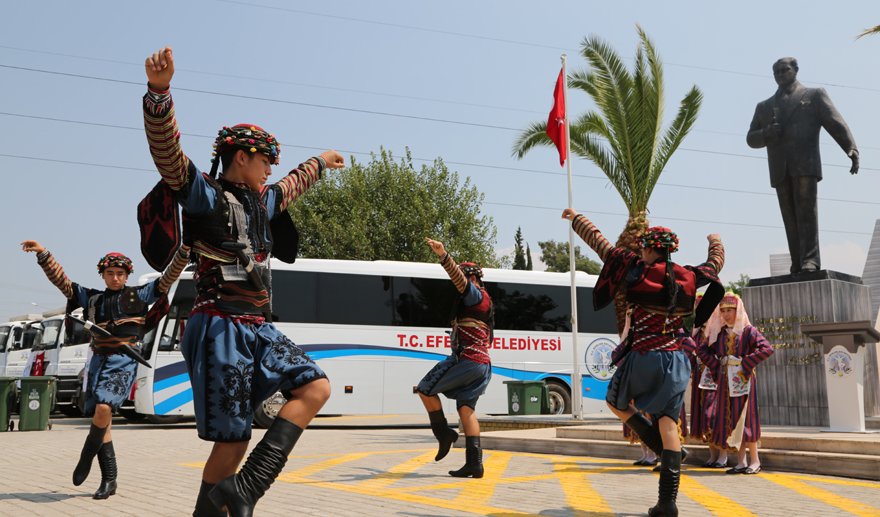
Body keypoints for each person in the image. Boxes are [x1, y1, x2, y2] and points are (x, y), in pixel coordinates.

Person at [142, 47, 345, 517]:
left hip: (257, 325)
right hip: (218, 326)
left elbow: (292, 184)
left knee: (315, 387)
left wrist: (320, 160)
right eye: (266, 160)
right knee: (231, 441)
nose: (272, 169)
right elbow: (167, 155)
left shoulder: (262, 201)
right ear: (242, 157)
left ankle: (247, 489)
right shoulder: (204, 195)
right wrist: (159, 94)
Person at [562, 208, 724, 517]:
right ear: (670, 249)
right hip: (677, 360)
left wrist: (576, 218)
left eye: (643, 248)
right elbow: (715, 264)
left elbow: (601, 245)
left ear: (649, 248)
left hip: (643, 357)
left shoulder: (635, 270)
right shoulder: (688, 275)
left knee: (615, 401)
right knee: (668, 422)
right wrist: (715, 241)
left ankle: (662, 452)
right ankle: (668, 503)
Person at [21, 241, 189, 499]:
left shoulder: (140, 295)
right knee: (104, 421)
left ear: (127, 275)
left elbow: (168, 277)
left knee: (103, 409)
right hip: (98, 359)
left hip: (123, 359)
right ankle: (109, 480)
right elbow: (63, 283)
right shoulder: (93, 298)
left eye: (120, 273)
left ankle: (85, 456)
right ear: (102, 275)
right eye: (110, 273)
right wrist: (43, 254)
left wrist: (183, 252)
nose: (115, 278)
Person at [746, 57, 859, 274]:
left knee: (807, 213)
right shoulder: (764, 107)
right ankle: (797, 262)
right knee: (789, 217)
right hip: (780, 168)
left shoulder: (814, 96)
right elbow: (751, 138)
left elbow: (835, 122)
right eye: (776, 72)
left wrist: (850, 147)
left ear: (795, 70)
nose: (780, 74)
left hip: (805, 164)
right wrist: (766, 134)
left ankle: (810, 261)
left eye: (784, 70)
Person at [418, 238, 493, 479]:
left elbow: (460, 281)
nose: (457, 284)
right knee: (466, 409)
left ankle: (444, 434)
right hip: (482, 364)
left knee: (425, 389)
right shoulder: (485, 302)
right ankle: (475, 463)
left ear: (472, 278)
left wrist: (443, 256)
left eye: (463, 277)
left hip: (467, 360)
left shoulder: (476, 296)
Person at [699, 293, 774, 475]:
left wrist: (745, 363)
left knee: (747, 418)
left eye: (729, 310)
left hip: (743, 379)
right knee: (731, 419)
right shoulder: (720, 333)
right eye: (723, 310)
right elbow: (701, 350)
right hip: (725, 380)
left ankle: (755, 460)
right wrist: (716, 365)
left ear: (738, 310)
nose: (725, 314)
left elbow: (767, 349)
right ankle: (741, 461)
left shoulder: (748, 331)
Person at [687, 296, 725, 468]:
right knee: (703, 415)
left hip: (716, 377)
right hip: (699, 377)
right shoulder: (696, 331)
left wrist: (706, 359)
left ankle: (723, 454)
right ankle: (713, 454)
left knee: (715, 415)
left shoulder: (719, 330)